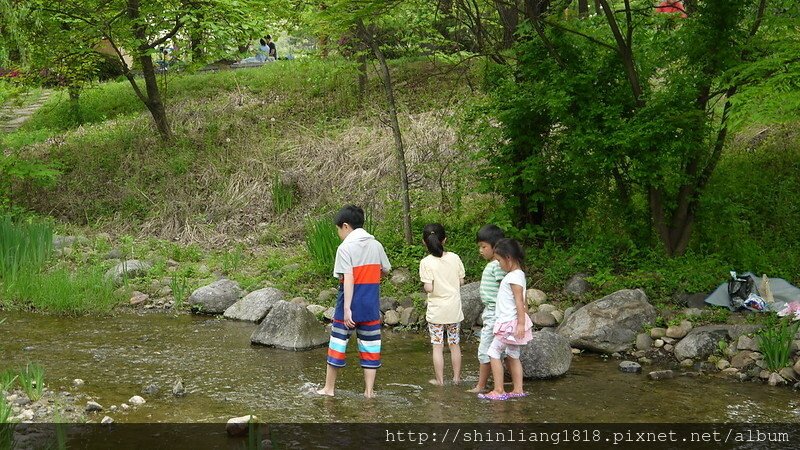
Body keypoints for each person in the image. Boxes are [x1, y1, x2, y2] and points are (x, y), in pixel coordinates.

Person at [316, 205, 391, 398]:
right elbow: (386, 269)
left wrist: (348, 309)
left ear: (346, 226)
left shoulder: (345, 248)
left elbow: (348, 278)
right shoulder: (376, 245)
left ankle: (329, 389)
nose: (339, 234)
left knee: (338, 344)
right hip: (370, 304)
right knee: (370, 346)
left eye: (338, 229)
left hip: (348, 306)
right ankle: (369, 391)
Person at [478, 238, 533, 400]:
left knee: (493, 352)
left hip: (509, 323)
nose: (499, 264)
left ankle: (499, 389)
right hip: (514, 323)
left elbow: (519, 301)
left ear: (508, 258)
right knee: (512, 355)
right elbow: (524, 301)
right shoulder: (518, 275)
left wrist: (521, 323)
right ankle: (518, 389)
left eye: (499, 260)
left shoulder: (513, 277)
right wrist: (522, 322)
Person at [419, 223, 465, 386]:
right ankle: (457, 378)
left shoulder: (426, 262)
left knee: (437, 346)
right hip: (453, 309)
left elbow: (429, 287)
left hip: (437, 312)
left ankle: (440, 381)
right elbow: (461, 281)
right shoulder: (455, 258)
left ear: (424, 242)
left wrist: (427, 286)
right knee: (454, 344)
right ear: (444, 240)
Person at [466, 225, 507, 394]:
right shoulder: (494, 264)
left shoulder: (497, 265)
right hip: (493, 312)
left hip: (495, 313)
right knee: (496, 349)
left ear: (495, 247)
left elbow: (504, 287)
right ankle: (495, 383)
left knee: (485, 349)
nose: (480, 250)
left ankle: (481, 385)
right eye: (479, 247)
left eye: (484, 247)